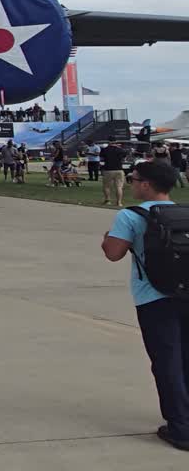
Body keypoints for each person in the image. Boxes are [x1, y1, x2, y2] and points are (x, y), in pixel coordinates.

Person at [101, 161, 189, 451]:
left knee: (166, 362)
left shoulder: (130, 215)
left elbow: (113, 254)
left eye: (133, 179)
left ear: (146, 184)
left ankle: (180, 428)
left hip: (153, 297)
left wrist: (106, 240)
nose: (131, 183)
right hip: (185, 293)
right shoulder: (184, 212)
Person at [100, 139, 127, 206]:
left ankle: (108, 201)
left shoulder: (105, 149)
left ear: (108, 142)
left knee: (106, 186)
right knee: (119, 187)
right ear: (116, 142)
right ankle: (119, 202)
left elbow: (101, 157)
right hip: (119, 169)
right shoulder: (120, 149)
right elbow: (124, 156)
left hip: (108, 169)